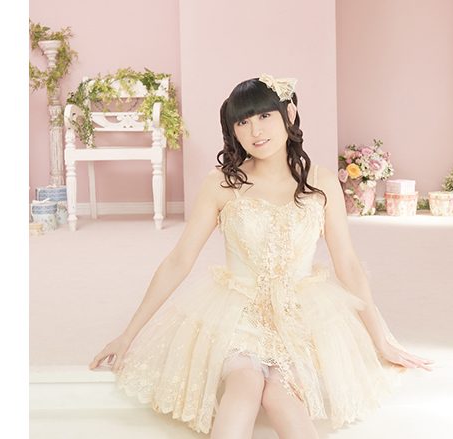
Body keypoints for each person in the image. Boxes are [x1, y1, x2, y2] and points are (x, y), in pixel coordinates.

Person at [89, 74, 434, 438]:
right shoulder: (222, 183)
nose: (255, 131)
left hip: (300, 315)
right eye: (243, 122)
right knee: (245, 386)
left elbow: (347, 264)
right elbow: (179, 260)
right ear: (233, 131)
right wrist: (127, 335)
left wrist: (380, 339)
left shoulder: (321, 182)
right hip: (238, 312)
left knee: (281, 396)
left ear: (289, 114)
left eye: (265, 116)